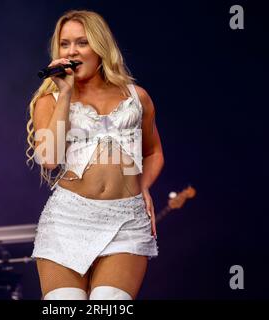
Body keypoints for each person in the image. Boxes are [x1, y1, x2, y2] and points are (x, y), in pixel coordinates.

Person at [26, 9, 164, 300]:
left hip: (126, 220)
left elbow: (153, 152)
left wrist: (143, 187)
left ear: (100, 48)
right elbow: (49, 158)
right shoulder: (48, 101)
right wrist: (65, 93)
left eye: (81, 42)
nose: (72, 51)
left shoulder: (136, 97)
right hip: (68, 219)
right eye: (65, 44)